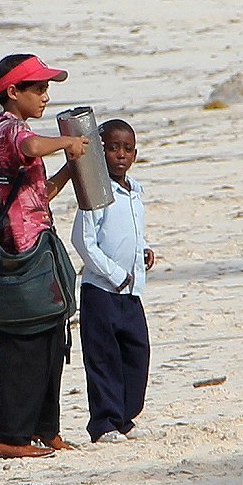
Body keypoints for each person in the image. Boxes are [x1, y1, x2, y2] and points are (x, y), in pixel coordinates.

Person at [0, 54, 88, 459]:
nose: (45, 97)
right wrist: (66, 142)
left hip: (37, 246)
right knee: (24, 343)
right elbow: (31, 145)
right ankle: (7, 436)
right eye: (38, 88)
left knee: (50, 340)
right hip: (19, 253)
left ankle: (45, 429)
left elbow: (37, 195)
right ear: (13, 92)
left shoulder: (16, 131)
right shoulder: (9, 130)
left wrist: (69, 169)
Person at [70, 118, 155, 444]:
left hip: (131, 291)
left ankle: (125, 415)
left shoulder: (134, 192)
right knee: (103, 359)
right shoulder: (96, 190)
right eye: (113, 148)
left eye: (128, 149)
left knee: (136, 354)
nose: (121, 154)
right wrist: (115, 274)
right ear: (99, 151)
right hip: (102, 291)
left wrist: (144, 250)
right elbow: (83, 240)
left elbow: (131, 232)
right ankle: (104, 422)